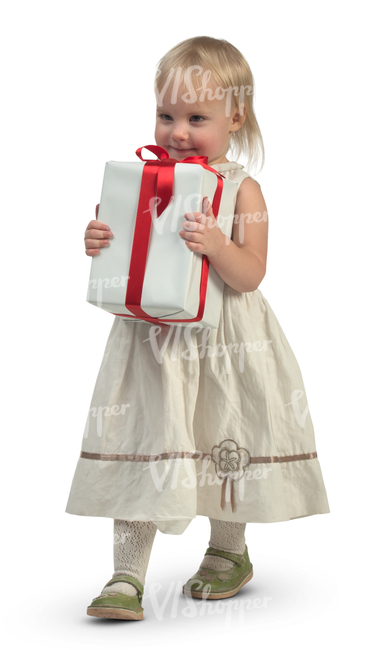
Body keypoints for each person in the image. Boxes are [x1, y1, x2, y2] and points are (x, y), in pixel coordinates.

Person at [65, 35, 330, 621]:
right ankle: (126, 574)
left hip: (226, 342)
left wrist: (216, 243)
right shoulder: (143, 181)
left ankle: (228, 550)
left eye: (196, 118)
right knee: (145, 439)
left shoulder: (243, 190)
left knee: (220, 432)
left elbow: (251, 275)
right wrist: (97, 243)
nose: (176, 131)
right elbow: (126, 260)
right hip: (153, 342)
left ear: (235, 117)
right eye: (166, 115)